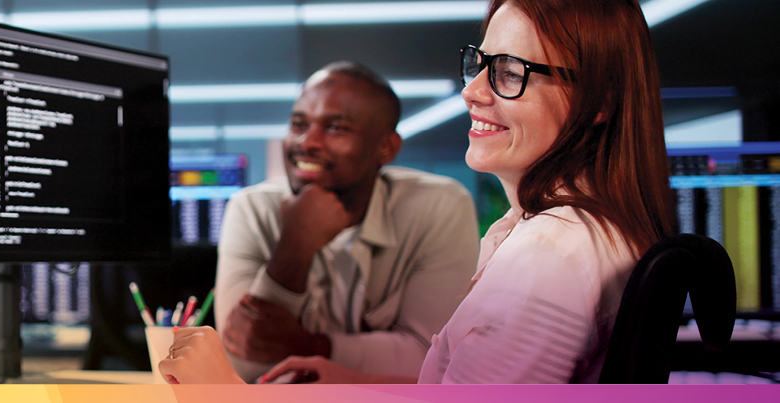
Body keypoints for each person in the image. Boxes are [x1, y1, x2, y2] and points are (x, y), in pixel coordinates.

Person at [160, 0, 673, 384]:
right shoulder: (582, 232)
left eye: (511, 72)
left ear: (600, 100)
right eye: (482, 62)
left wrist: (221, 395)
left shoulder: (548, 260)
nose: (473, 90)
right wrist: (357, 383)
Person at [211, 61, 480, 383]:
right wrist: (296, 244)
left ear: (386, 148)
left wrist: (307, 345)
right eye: (299, 124)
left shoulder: (439, 207)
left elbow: (432, 358)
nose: (307, 142)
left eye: (335, 128)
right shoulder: (252, 208)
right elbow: (243, 362)